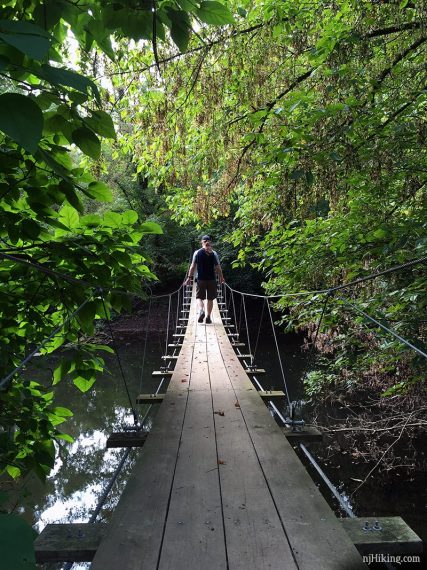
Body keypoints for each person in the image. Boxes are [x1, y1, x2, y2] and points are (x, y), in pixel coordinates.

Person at [184, 235, 225, 323]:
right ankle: (208, 317)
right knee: (210, 299)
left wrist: (189, 278)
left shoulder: (197, 253)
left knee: (199, 297)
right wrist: (221, 277)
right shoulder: (214, 253)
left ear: (201, 242)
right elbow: (218, 267)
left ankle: (201, 310)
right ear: (210, 242)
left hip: (200, 279)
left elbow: (192, 267)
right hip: (212, 280)